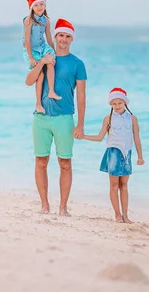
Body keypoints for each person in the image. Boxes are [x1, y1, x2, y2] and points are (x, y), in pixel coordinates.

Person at [25, 18, 87, 216]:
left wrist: (81, 124)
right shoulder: (45, 56)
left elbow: (82, 95)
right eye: (60, 35)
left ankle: (63, 207)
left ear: (71, 40)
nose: (63, 39)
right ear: (55, 37)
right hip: (41, 117)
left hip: (64, 118)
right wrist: (42, 62)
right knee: (41, 161)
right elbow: (29, 81)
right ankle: (44, 205)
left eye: (67, 36)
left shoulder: (78, 64)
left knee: (65, 163)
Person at [82, 88, 145, 223]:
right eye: (114, 104)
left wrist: (140, 156)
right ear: (110, 104)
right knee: (114, 185)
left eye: (119, 103)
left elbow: (136, 138)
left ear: (125, 103)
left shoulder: (132, 118)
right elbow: (100, 137)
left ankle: (126, 215)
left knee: (124, 185)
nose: (117, 106)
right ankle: (117, 215)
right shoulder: (108, 118)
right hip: (113, 154)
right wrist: (84, 136)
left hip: (126, 154)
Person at [21, 0, 60, 114]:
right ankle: (38, 103)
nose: (39, 7)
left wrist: (54, 51)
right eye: (36, 5)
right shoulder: (29, 20)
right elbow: (27, 40)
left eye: (41, 4)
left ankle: (51, 91)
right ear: (32, 7)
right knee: (40, 74)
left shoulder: (46, 21)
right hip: (31, 49)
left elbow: (48, 37)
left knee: (50, 62)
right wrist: (31, 57)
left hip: (42, 47)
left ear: (45, 5)